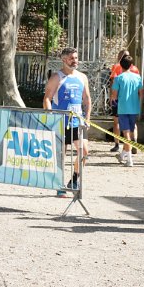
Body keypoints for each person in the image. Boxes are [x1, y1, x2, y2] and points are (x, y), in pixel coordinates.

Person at [43, 46, 92, 194]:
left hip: (77, 122)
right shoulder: (56, 77)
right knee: (61, 156)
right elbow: (47, 98)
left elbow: (87, 99)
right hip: (61, 122)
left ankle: (74, 180)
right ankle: (59, 185)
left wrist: (87, 118)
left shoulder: (82, 77)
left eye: (76, 58)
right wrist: (51, 116)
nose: (75, 61)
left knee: (84, 151)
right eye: (71, 58)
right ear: (64, 60)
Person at [110, 54, 143, 166]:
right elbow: (141, 93)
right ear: (131, 65)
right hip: (134, 108)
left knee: (126, 134)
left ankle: (129, 160)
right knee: (130, 132)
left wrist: (113, 100)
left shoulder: (119, 78)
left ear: (121, 65)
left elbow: (114, 95)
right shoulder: (137, 78)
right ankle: (122, 155)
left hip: (123, 109)